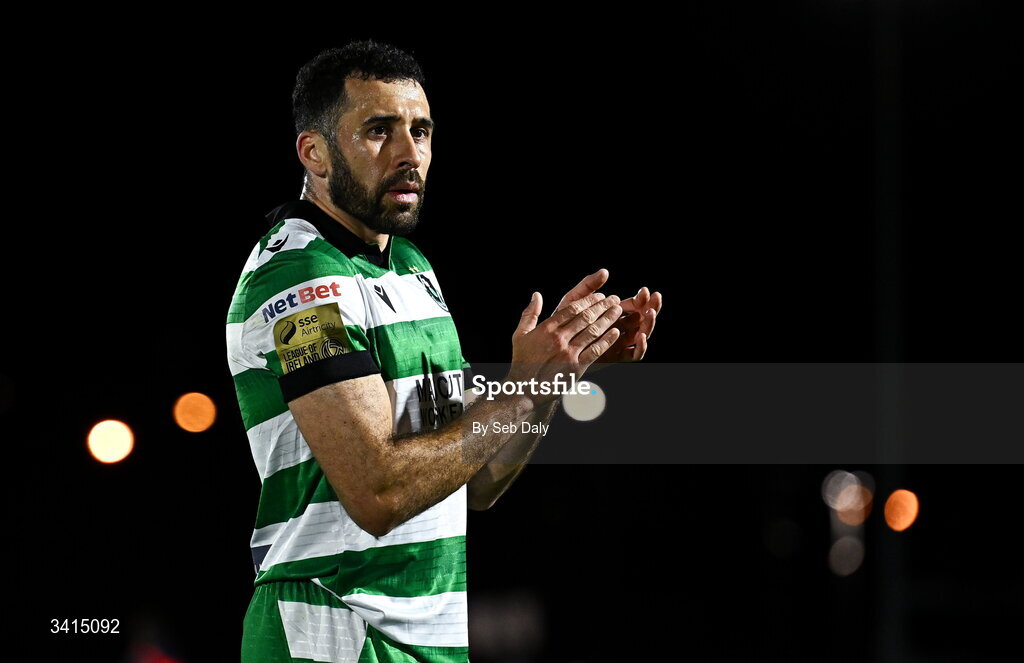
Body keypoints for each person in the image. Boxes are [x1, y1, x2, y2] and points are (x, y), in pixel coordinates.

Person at [225, 40, 662, 662]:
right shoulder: (297, 282)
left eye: (421, 131)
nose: (410, 154)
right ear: (313, 153)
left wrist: (553, 378)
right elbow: (378, 492)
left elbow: (471, 479)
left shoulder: (411, 269)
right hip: (327, 635)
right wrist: (524, 385)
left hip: (426, 641)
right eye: (380, 130)